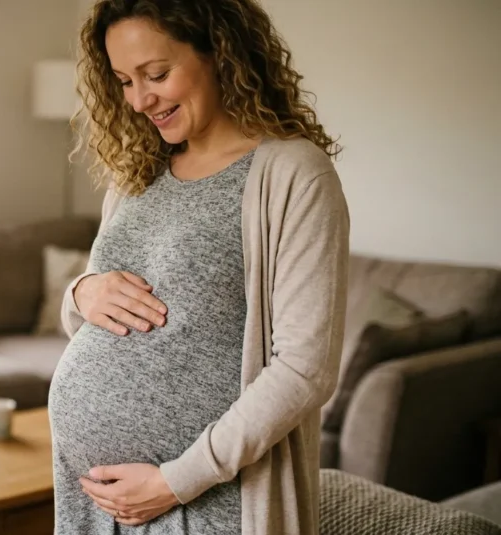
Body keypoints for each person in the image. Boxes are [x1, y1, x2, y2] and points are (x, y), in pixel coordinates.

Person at [47, 0, 350, 533]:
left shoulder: (293, 173)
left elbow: (306, 369)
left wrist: (174, 481)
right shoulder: (135, 174)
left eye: (156, 74)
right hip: (93, 503)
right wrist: (81, 292)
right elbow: (88, 319)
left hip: (205, 502)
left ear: (220, 53)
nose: (140, 100)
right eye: (123, 81)